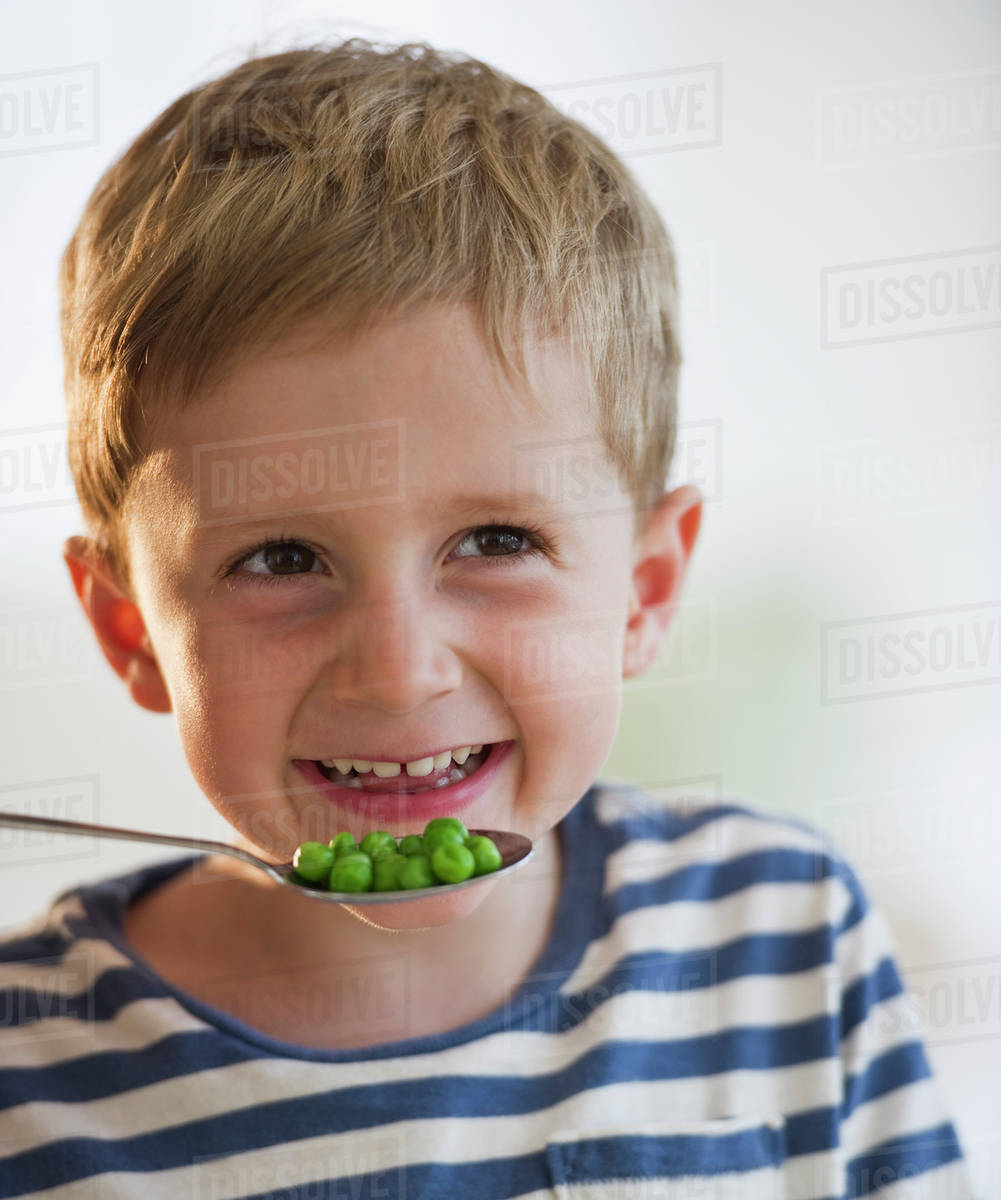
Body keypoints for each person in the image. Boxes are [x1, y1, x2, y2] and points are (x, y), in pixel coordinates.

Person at [0, 37, 974, 1199]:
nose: (398, 670)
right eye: (280, 559)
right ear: (131, 631)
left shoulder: (783, 935)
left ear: (642, 589)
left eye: (497, 543)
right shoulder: (27, 1072)